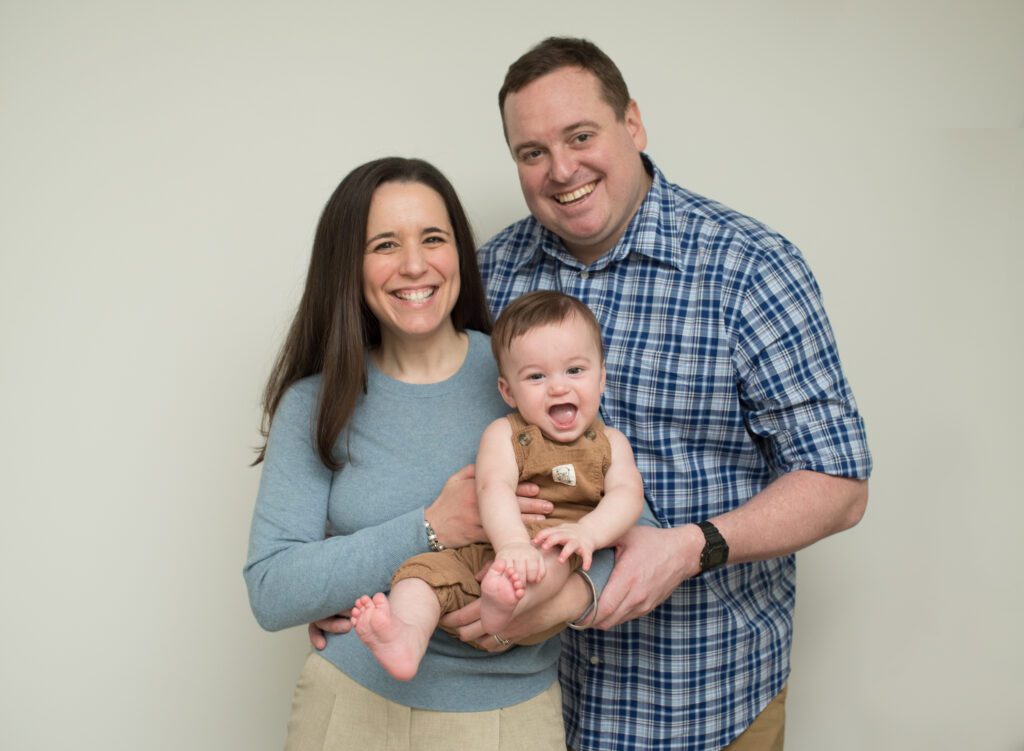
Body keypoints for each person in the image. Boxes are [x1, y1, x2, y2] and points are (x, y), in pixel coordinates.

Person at [310, 37, 872, 751]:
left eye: (580, 136)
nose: (561, 169)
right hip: (529, 705)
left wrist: (690, 547)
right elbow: (423, 428)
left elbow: (840, 482)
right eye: (531, 152)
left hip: (704, 698)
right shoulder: (489, 275)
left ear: (632, 124)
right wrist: (364, 592)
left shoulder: (749, 269)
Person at [244, 157, 605, 750]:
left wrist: (559, 601)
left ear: (458, 251)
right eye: (385, 244)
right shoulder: (317, 403)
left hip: (510, 719)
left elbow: (631, 527)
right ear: (349, 265)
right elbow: (272, 590)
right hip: (352, 710)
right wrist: (430, 527)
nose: (415, 265)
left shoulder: (529, 372)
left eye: (433, 238)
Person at [349, 290, 644, 681]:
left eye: (575, 371)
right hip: (488, 548)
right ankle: (405, 637)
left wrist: (587, 532)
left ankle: (503, 606)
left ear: (602, 377)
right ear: (508, 391)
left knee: (551, 566)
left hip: (555, 544)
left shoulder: (610, 443)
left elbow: (628, 496)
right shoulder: (505, 434)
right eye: (537, 376)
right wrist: (510, 546)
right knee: (420, 573)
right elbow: (494, 489)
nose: (558, 388)